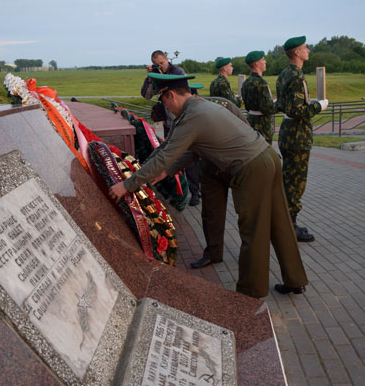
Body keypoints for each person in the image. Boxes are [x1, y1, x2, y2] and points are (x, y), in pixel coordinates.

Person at [110, 73, 309, 297]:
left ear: (172, 96)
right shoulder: (200, 107)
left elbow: (165, 155)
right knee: (280, 222)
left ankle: (250, 294)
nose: (164, 106)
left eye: (163, 101)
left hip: (251, 168)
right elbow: (168, 149)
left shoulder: (192, 117)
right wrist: (147, 170)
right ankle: (295, 279)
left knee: (253, 231)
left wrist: (127, 185)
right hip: (267, 158)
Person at [276, 36, 328, 243]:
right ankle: (290, 225)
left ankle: (284, 222)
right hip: (298, 136)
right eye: (305, 48)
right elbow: (297, 110)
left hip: (288, 133)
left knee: (287, 180)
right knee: (295, 184)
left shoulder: (283, 75)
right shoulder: (297, 77)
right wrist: (319, 106)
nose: (308, 50)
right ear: (296, 52)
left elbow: (284, 105)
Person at [190, 93, 249, 269]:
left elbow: (246, 131)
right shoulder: (189, 115)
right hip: (209, 168)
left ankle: (250, 256)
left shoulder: (224, 105)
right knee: (211, 213)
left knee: (247, 214)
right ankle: (213, 254)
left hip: (237, 166)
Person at [141, 50, 201, 206]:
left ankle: (195, 192)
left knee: (189, 161)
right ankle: (174, 192)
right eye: (156, 64)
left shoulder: (178, 72)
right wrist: (149, 78)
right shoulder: (155, 74)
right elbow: (146, 96)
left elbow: (185, 94)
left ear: (167, 59)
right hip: (169, 123)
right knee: (169, 158)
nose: (160, 66)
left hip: (183, 121)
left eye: (162, 63)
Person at [240, 51, 277, 144]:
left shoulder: (246, 82)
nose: (265, 62)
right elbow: (267, 108)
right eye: (263, 60)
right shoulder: (261, 83)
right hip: (263, 125)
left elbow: (247, 106)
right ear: (256, 63)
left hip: (251, 121)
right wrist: (280, 104)